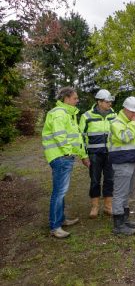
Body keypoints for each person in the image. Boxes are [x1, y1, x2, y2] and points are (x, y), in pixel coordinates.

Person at [42, 87, 90, 239]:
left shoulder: (68, 114)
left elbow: (76, 138)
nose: (77, 100)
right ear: (67, 99)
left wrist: (82, 155)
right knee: (59, 192)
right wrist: (68, 152)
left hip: (64, 157)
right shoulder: (59, 113)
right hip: (61, 157)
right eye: (75, 98)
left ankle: (61, 220)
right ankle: (55, 226)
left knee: (61, 191)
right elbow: (59, 135)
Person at [108, 96, 135, 235]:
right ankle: (118, 225)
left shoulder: (128, 121)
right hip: (122, 163)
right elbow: (125, 137)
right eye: (134, 112)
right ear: (126, 110)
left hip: (130, 161)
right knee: (120, 193)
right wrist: (134, 123)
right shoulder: (117, 123)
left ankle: (125, 220)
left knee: (127, 192)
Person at [79, 89, 116, 218]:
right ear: (99, 102)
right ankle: (95, 207)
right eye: (107, 102)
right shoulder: (87, 116)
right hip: (94, 155)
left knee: (110, 180)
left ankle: (108, 206)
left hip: (110, 154)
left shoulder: (114, 116)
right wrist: (84, 156)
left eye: (110, 101)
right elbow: (81, 138)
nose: (110, 104)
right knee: (95, 180)